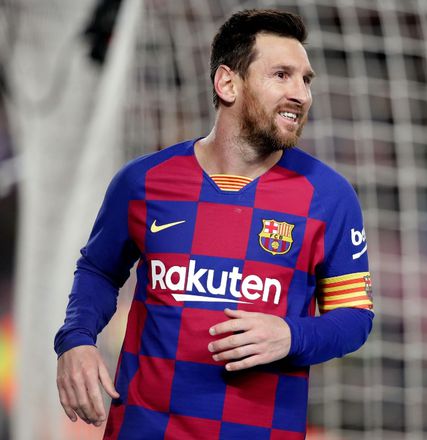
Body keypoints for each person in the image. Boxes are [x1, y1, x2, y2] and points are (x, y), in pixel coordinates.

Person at [54, 9, 374, 440]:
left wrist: (290, 334)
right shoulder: (144, 181)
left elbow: (354, 318)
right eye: (282, 75)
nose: (300, 94)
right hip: (145, 429)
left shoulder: (328, 196)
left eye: (306, 80)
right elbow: (98, 269)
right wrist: (76, 338)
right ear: (227, 84)